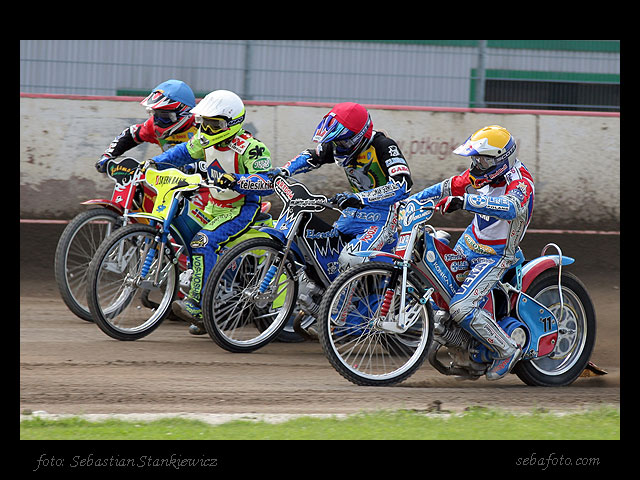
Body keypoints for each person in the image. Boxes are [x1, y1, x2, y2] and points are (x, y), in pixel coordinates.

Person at [409, 125, 534, 380]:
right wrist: (412, 200)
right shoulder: (483, 175)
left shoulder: (521, 182)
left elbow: (510, 207)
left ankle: (506, 349)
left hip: (498, 255)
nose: (477, 163)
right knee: (437, 292)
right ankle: (463, 344)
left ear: (500, 158)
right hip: (469, 243)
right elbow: (449, 186)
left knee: (462, 307)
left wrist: (465, 201)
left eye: (483, 158)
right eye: (475, 158)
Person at [150, 89, 273, 335]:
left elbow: (267, 182)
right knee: (182, 229)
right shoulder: (204, 139)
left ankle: (198, 304)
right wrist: (155, 163)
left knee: (202, 241)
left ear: (233, 123)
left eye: (214, 124)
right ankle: (215, 301)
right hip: (212, 207)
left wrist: (236, 180)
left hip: (240, 209)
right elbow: (181, 152)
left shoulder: (252, 148)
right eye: (204, 123)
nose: (206, 129)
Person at [274, 102, 413, 269]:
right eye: (336, 142)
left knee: (350, 259)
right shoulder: (338, 145)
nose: (338, 147)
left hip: (383, 216)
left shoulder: (384, 145)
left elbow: (403, 185)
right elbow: (313, 156)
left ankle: (347, 294)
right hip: (352, 212)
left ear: (358, 136)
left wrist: (360, 198)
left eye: (342, 143)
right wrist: (285, 170)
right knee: (323, 255)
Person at [95, 79, 198, 172]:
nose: (157, 120)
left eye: (164, 115)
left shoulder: (202, 126)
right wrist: (108, 155)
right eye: (155, 113)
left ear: (184, 113)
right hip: (170, 180)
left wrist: (198, 166)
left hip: (206, 183)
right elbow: (131, 134)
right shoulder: (152, 125)